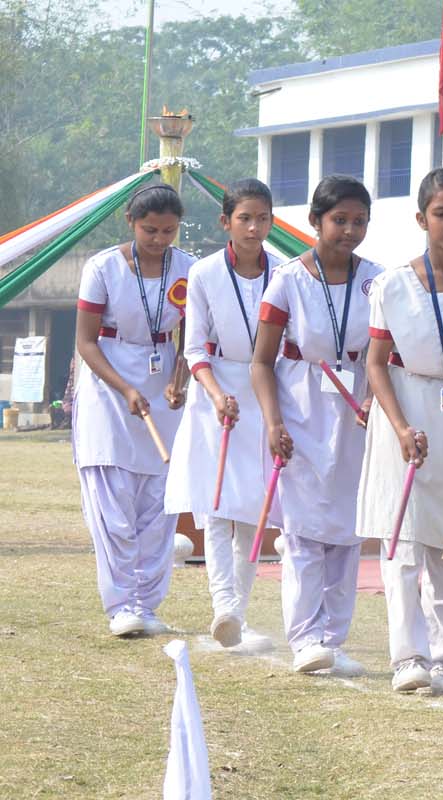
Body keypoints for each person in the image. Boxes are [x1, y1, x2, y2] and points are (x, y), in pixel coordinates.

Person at [359, 166, 443, 694]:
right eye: (441, 214)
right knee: (404, 539)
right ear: (421, 219)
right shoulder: (392, 285)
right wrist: (399, 426)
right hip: (406, 406)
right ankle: (407, 657)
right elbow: (375, 363)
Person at [251, 175, 385, 677]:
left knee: (348, 532)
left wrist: (374, 399)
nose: (350, 231)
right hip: (301, 410)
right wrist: (273, 422)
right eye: (339, 220)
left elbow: (384, 354)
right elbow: (261, 363)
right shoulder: (287, 281)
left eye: (359, 221)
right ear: (315, 221)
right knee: (305, 531)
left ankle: (334, 638)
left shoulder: (378, 281)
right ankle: (305, 637)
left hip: (356, 413)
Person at [165, 179, 279, 648]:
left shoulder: (285, 273)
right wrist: (214, 395)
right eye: (244, 218)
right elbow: (194, 348)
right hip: (214, 393)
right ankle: (222, 605)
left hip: (265, 391)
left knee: (252, 506)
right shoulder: (205, 273)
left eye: (262, 219)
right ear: (225, 222)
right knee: (214, 505)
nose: (254, 228)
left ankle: (240, 611)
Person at [74, 183, 191, 637]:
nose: (159, 240)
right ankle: (121, 605)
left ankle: (147, 603)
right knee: (113, 503)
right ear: (130, 222)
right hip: (109, 385)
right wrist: (124, 388)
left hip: (162, 387)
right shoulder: (102, 267)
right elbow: (86, 341)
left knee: (159, 503)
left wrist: (179, 380)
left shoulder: (189, 269)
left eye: (168, 231)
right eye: (150, 230)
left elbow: (194, 335)